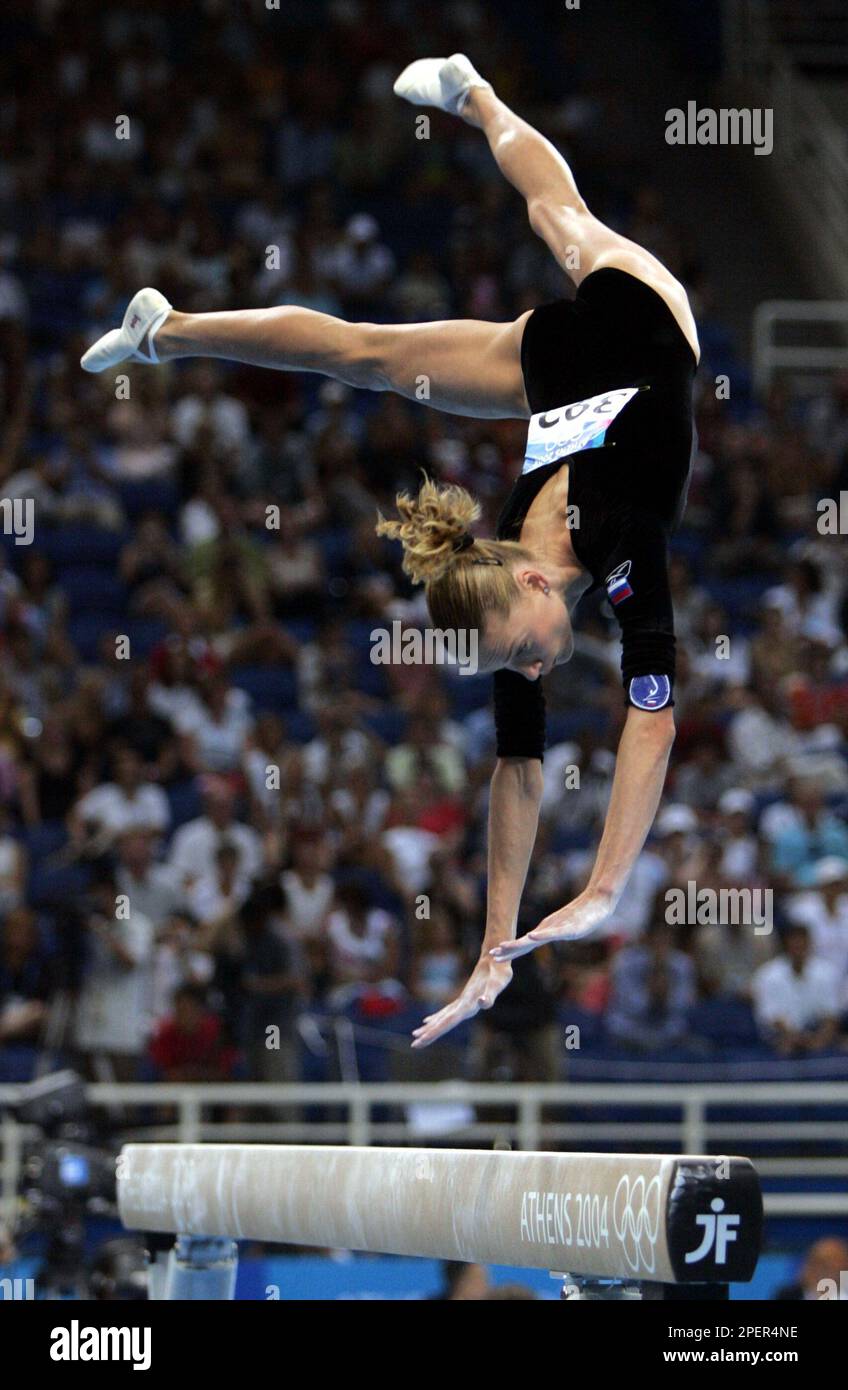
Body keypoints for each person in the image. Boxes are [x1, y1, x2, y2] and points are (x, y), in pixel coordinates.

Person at [81, 55, 699, 1046]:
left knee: (560, 218)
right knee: (366, 353)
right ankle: (166, 329)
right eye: (521, 662)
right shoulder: (512, 592)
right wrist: (499, 940)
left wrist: (597, 889)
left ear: (529, 574)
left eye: (524, 653)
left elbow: (649, 723)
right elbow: (518, 771)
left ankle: (476, 95)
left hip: (640, 317)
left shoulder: (619, 534)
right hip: (572, 377)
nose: (537, 665)